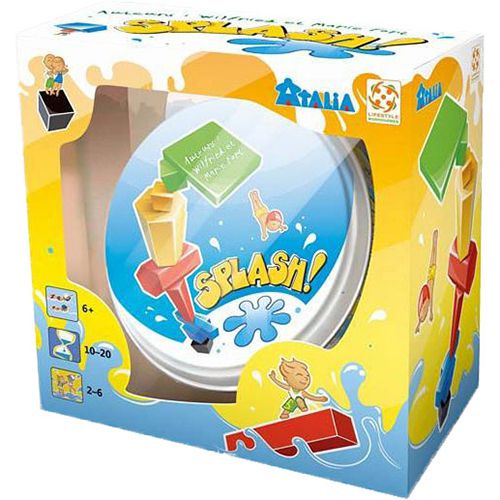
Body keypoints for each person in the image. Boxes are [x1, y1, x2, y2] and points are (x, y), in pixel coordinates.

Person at [415, 229, 438, 334]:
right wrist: (431, 313)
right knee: (433, 253)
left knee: (433, 253)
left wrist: (431, 313)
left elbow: (429, 298)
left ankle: (434, 239)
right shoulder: (422, 315)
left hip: (430, 277)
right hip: (431, 277)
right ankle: (435, 239)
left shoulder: (421, 315)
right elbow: (430, 298)